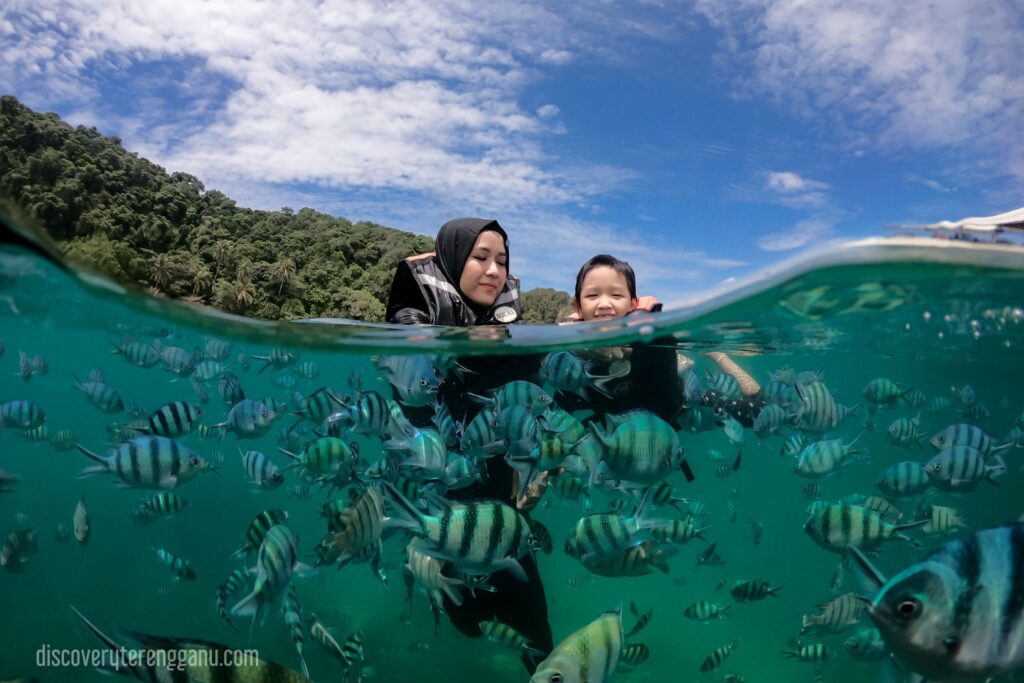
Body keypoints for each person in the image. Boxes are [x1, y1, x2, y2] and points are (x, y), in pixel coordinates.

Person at [384, 217, 553, 672]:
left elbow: (527, 424)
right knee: (468, 621)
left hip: (504, 516)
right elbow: (408, 442)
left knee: (537, 637)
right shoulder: (416, 340)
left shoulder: (513, 339)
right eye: (480, 257)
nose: (494, 270)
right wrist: (421, 541)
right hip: (443, 519)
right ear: (453, 260)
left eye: (502, 261)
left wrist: (525, 492)